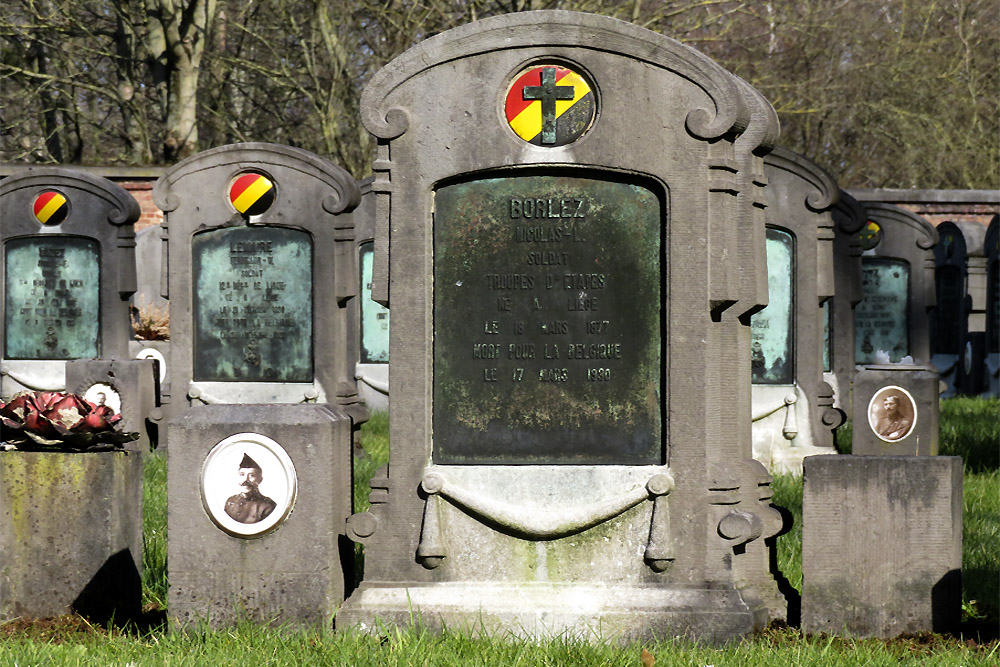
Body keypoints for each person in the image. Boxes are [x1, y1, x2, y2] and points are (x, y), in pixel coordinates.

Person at [224, 453, 277, 524]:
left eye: (252, 475)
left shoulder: (268, 506)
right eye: (242, 474)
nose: (245, 480)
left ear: (260, 480)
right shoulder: (230, 501)